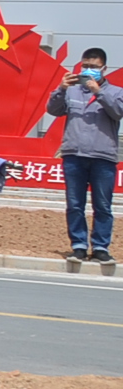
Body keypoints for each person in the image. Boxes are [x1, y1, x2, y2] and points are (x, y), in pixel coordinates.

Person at [49, 46, 123, 263]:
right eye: (86, 66)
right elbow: (52, 109)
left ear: (104, 69)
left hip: (103, 157)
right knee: (74, 204)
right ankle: (79, 245)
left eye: (94, 67)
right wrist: (61, 89)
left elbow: (118, 112)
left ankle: (100, 247)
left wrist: (99, 92)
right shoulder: (72, 90)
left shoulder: (116, 92)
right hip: (74, 155)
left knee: (102, 205)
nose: (89, 70)